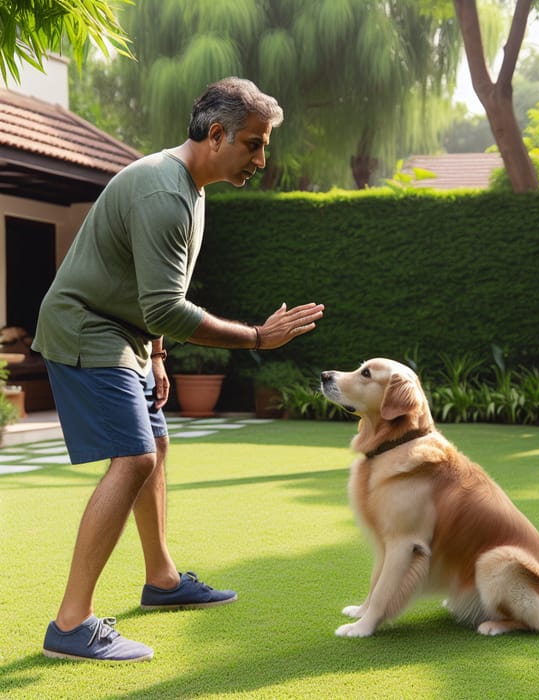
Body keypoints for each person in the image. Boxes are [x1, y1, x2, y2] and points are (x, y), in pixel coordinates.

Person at [32, 77, 324, 662]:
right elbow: (164, 305)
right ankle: (71, 622)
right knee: (134, 456)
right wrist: (257, 338)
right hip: (87, 326)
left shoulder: (191, 188)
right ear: (217, 135)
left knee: (156, 447)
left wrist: (157, 354)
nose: (261, 160)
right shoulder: (164, 192)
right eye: (254, 144)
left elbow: (154, 294)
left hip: (129, 334)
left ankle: (162, 581)